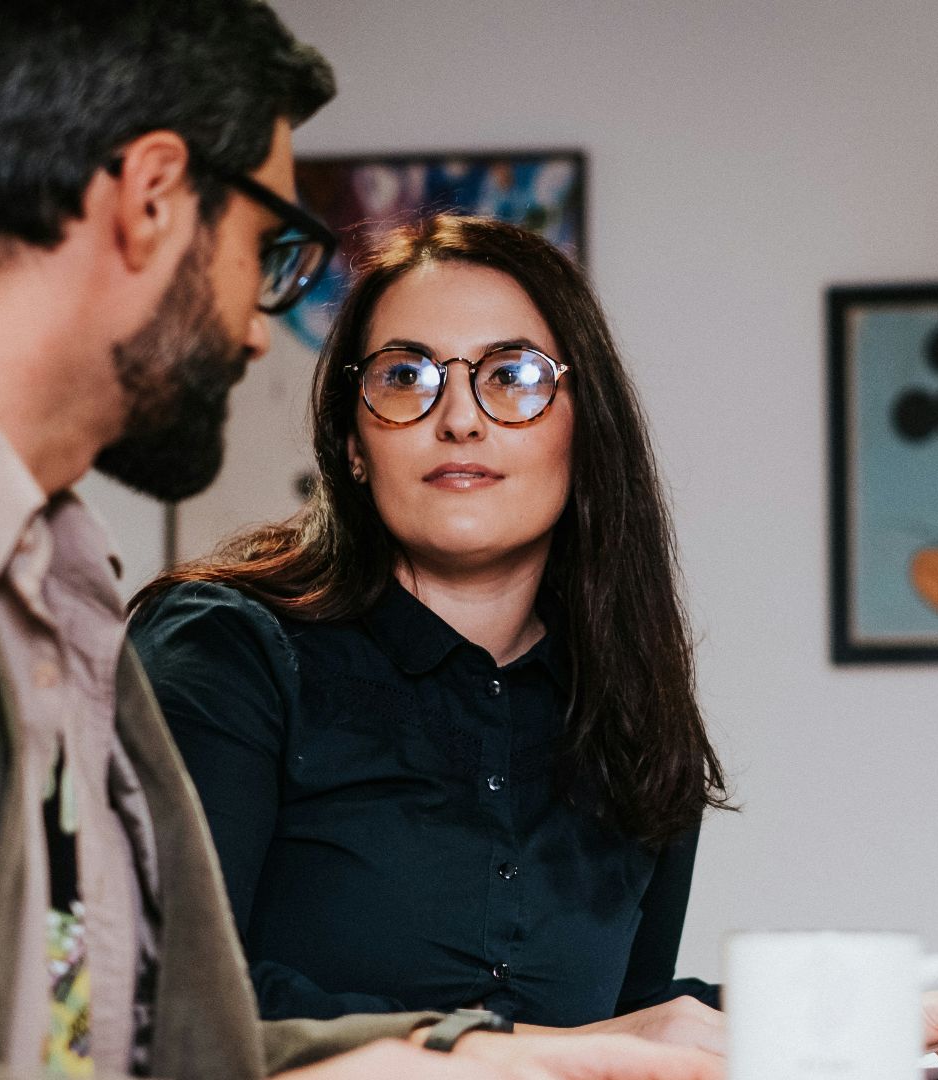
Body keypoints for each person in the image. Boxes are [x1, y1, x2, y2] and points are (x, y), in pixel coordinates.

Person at [0, 3, 723, 1080]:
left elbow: (137, 1036)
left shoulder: (59, 574)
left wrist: (508, 1057)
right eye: (267, 251)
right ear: (153, 197)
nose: (263, 335)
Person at [128, 216, 731, 1051]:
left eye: (513, 375)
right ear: (352, 443)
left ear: (585, 432)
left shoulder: (630, 711)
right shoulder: (226, 651)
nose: (459, 418)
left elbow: (631, 1014)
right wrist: (521, 1054)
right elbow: (162, 993)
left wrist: (870, 1008)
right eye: (406, 375)